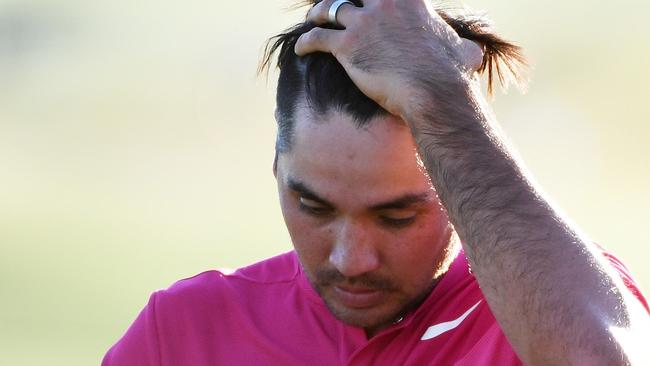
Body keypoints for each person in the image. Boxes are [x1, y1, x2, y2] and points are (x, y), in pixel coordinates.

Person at [103, 0, 650, 365]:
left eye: (397, 216)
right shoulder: (184, 332)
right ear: (277, 169)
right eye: (313, 206)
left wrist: (439, 101)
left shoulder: (554, 303)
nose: (351, 259)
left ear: (460, 184)